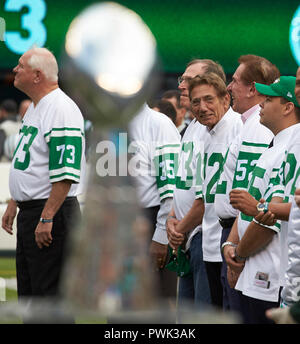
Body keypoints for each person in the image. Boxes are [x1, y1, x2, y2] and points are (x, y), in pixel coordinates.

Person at [1, 48, 85, 307]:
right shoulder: (38, 107)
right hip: (34, 212)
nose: (15, 70)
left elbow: (65, 172)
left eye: (21, 65)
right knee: (31, 298)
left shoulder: (60, 108)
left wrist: (47, 216)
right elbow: (32, 163)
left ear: (37, 75)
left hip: (52, 213)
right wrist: (15, 202)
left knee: (50, 302)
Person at [168, 65, 242, 310]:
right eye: (196, 100)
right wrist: (172, 218)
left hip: (212, 234)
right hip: (193, 236)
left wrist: (180, 228)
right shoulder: (198, 129)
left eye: (208, 99)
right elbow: (185, 181)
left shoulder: (235, 128)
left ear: (225, 98)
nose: (201, 106)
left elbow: (207, 195)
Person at [227, 76, 300, 324]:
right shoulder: (276, 147)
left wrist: (238, 253)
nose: (261, 104)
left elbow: (269, 219)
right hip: (257, 270)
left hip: (271, 272)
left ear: (288, 106)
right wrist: (231, 246)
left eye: (269, 99)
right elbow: (250, 206)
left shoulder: (290, 145)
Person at [215, 55, 280, 313]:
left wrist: (238, 252)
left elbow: (255, 202)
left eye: (234, 81)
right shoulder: (250, 125)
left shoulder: (262, 128)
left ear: (253, 88)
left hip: (249, 239)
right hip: (236, 235)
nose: (229, 87)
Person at [128, 103, 181, 301]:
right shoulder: (110, 122)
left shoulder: (158, 124)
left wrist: (160, 236)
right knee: (118, 305)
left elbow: (171, 186)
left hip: (149, 218)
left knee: (154, 303)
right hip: (117, 222)